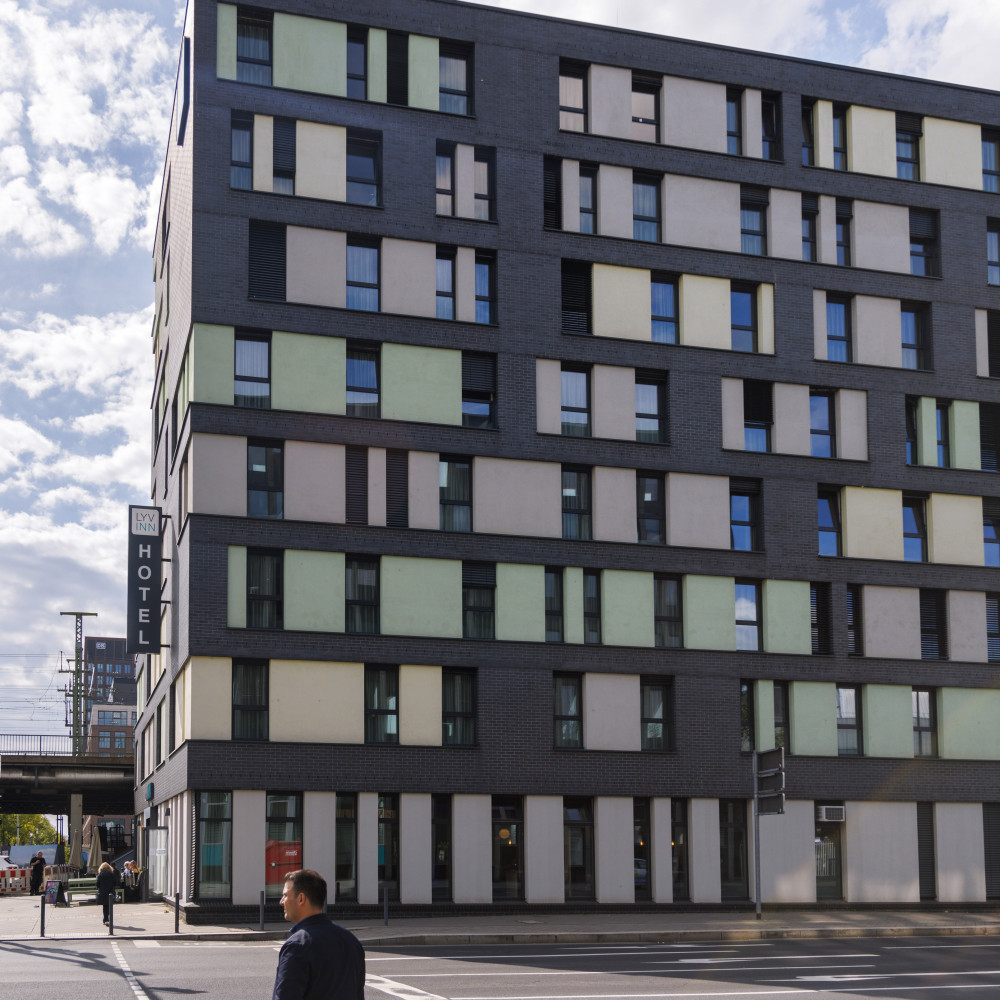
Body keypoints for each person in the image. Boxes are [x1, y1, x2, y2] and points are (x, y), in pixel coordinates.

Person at [272, 869, 365, 1000]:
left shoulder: (297, 946)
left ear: (301, 899)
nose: (281, 901)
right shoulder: (351, 941)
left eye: (285, 895)